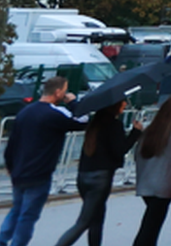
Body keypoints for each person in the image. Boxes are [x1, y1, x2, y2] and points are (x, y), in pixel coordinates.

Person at [2, 74, 91, 246]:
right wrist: (73, 102)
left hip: (19, 171)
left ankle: (2, 239)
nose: (66, 94)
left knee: (16, 210)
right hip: (40, 172)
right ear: (58, 92)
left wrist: (10, 165)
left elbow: (12, 142)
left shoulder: (24, 112)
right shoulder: (55, 113)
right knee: (28, 215)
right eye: (65, 91)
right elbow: (82, 121)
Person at [53, 100, 141, 246]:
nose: (125, 104)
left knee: (96, 219)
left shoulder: (94, 123)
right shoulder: (114, 125)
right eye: (122, 103)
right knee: (84, 222)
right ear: (115, 106)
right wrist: (135, 132)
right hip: (101, 179)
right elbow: (119, 151)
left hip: (84, 176)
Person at [133, 95, 171, 246]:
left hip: (146, 184)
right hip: (165, 185)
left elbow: (137, 156)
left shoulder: (151, 130)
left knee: (152, 222)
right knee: (151, 226)